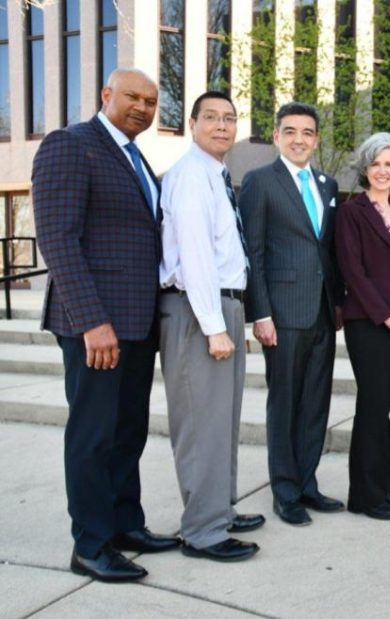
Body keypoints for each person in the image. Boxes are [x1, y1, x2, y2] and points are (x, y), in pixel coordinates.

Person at [32, 68, 179, 582]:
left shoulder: (138, 158)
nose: (142, 106)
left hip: (137, 326)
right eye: (133, 96)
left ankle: (124, 525)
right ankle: (91, 545)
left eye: (151, 100)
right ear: (106, 95)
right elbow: (57, 238)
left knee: (128, 432)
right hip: (95, 326)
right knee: (93, 436)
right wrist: (92, 321)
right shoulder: (71, 145)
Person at [158, 91, 262, 561]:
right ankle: (202, 532)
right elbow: (196, 257)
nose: (222, 126)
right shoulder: (189, 178)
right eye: (212, 118)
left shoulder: (216, 177)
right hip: (199, 311)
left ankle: (219, 508)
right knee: (202, 424)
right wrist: (214, 326)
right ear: (192, 123)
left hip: (224, 306)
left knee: (222, 419)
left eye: (230, 119)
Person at [239, 102, 345, 525]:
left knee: (316, 402)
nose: (299, 139)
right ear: (277, 135)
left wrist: (337, 303)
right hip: (281, 314)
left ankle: (307, 483)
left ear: (316, 138)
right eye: (291, 131)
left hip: (321, 311)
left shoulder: (328, 183)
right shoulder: (259, 182)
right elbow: (254, 253)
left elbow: (328, 250)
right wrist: (260, 313)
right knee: (285, 402)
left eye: (307, 132)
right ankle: (284, 491)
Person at [335, 133, 390, 520]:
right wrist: (388, 316)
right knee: (371, 407)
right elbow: (353, 273)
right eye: (376, 164)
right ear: (364, 169)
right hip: (369, 322)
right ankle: (364, 497)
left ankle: (380, 490)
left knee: (381, 408)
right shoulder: (352, 213)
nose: (383, 170)